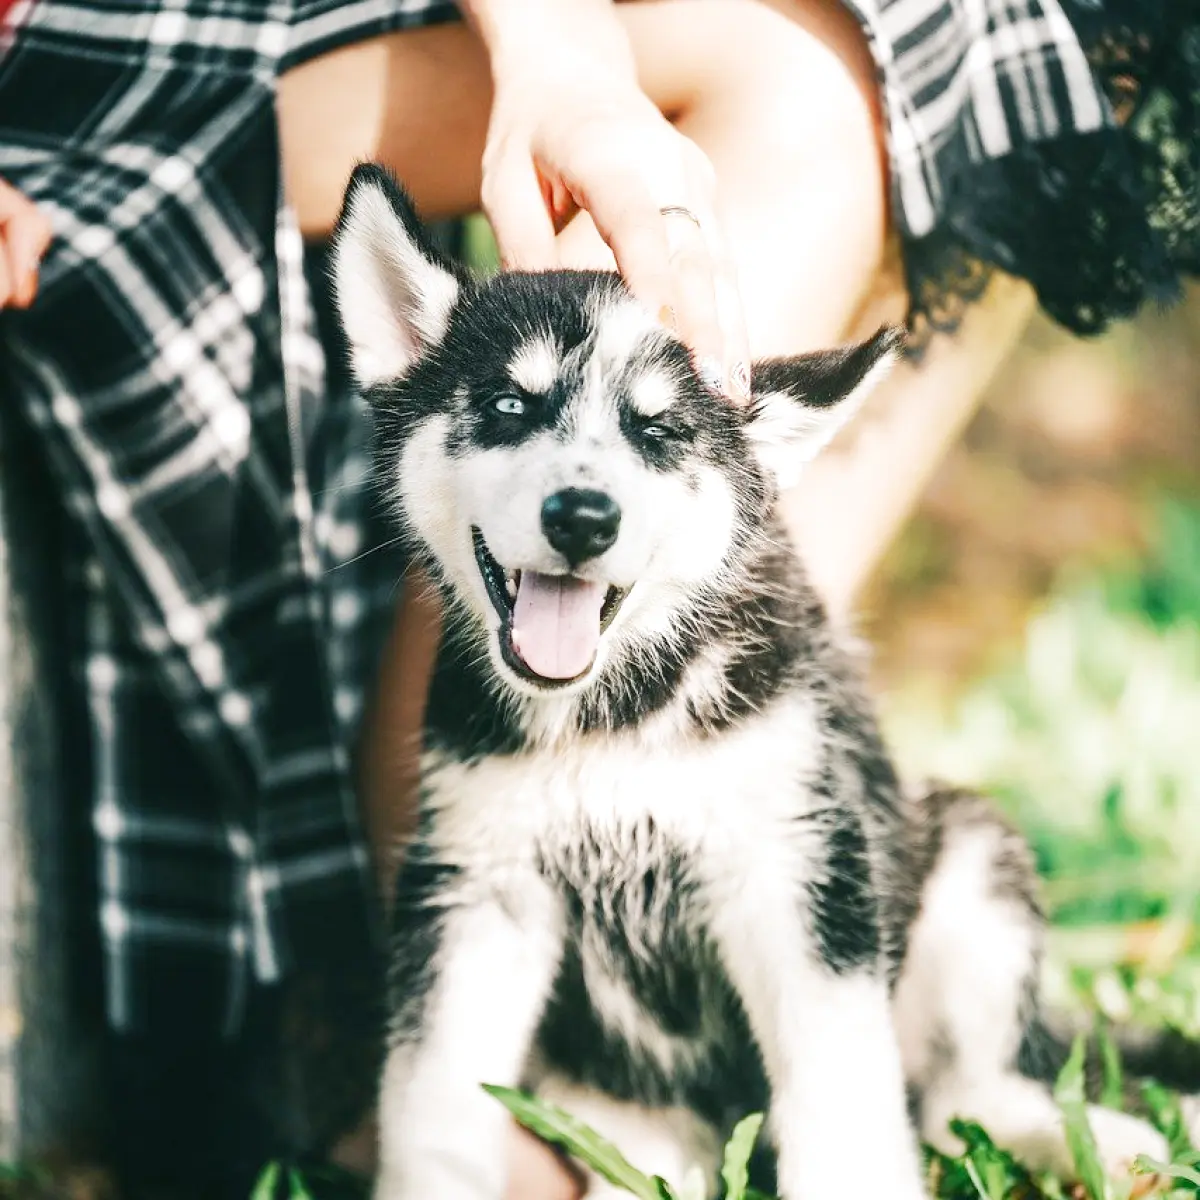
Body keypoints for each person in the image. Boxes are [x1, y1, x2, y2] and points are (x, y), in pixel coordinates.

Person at [1, 0, 1197, 1196]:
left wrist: (563, 70)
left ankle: (984, 1087)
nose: (582, 496)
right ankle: (554, 1122)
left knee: (949, 47)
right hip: (87, 63)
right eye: (516, 414)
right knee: (847, 68)